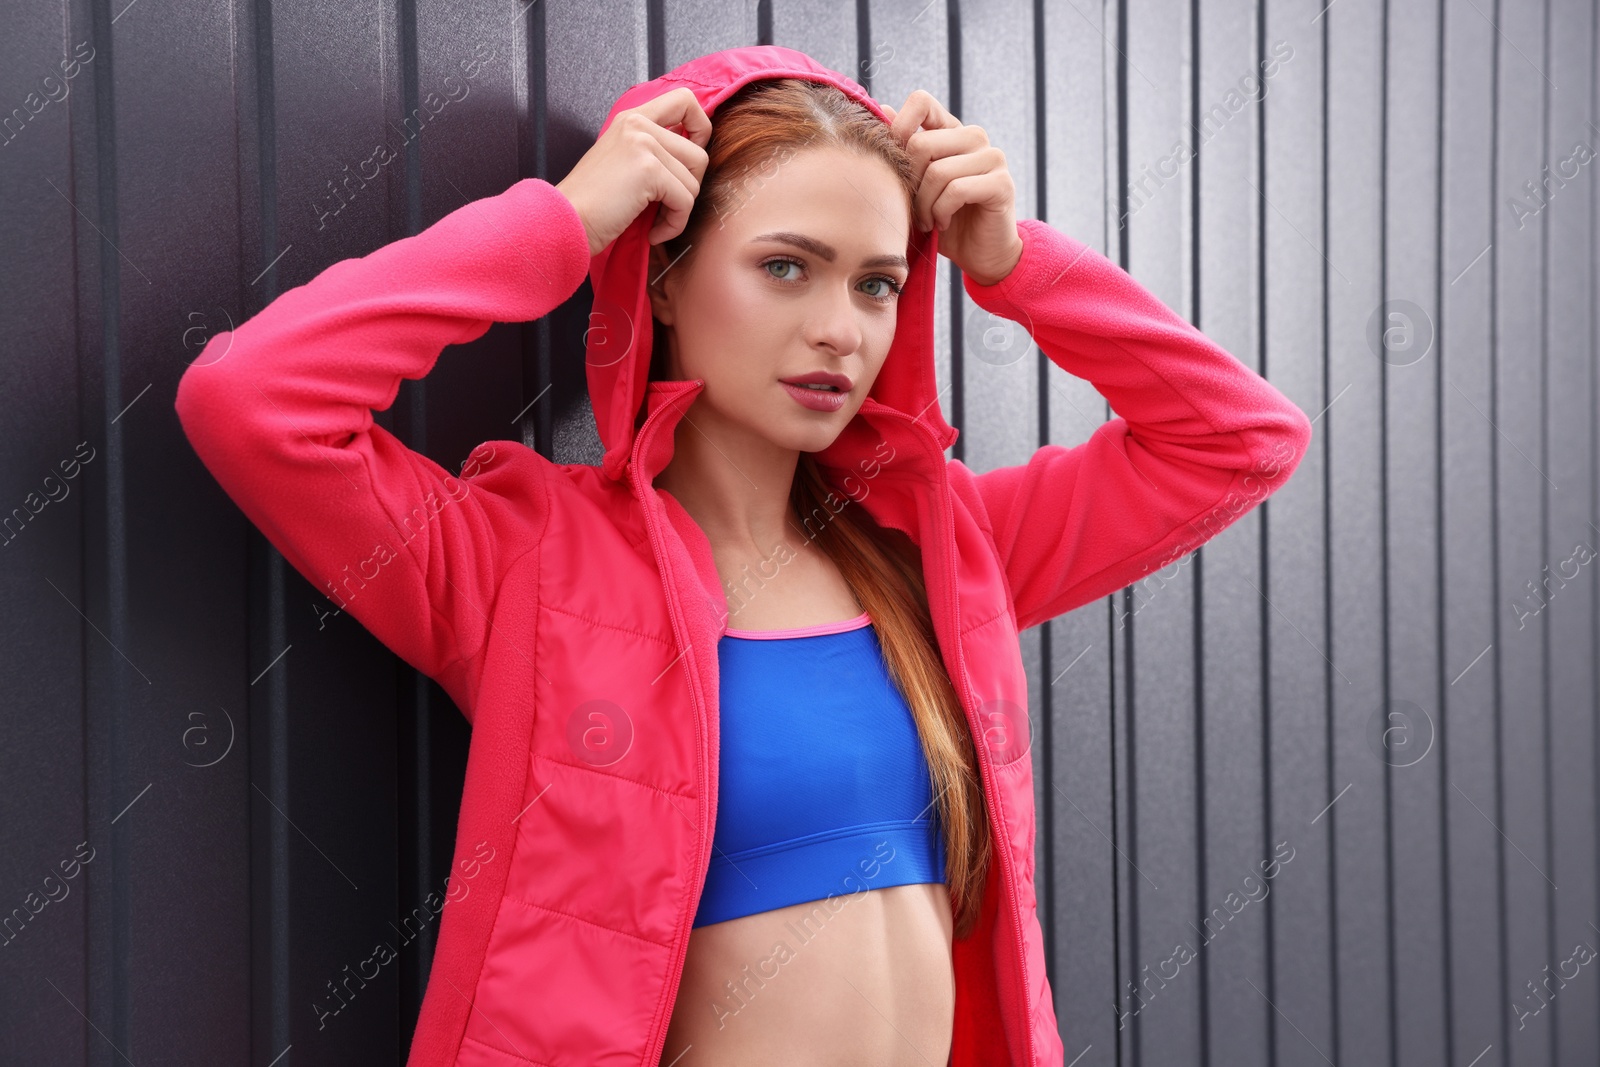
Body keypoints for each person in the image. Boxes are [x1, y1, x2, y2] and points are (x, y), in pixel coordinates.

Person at [175, 44, 1311, 1067]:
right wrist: (567, 227)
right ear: (663, 278)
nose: (841, 329)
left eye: (876, 283)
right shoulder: (529, 560)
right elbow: (252, 401)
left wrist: (1012, 261)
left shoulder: (942, 549)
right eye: (785, 266)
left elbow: (1241, 440)